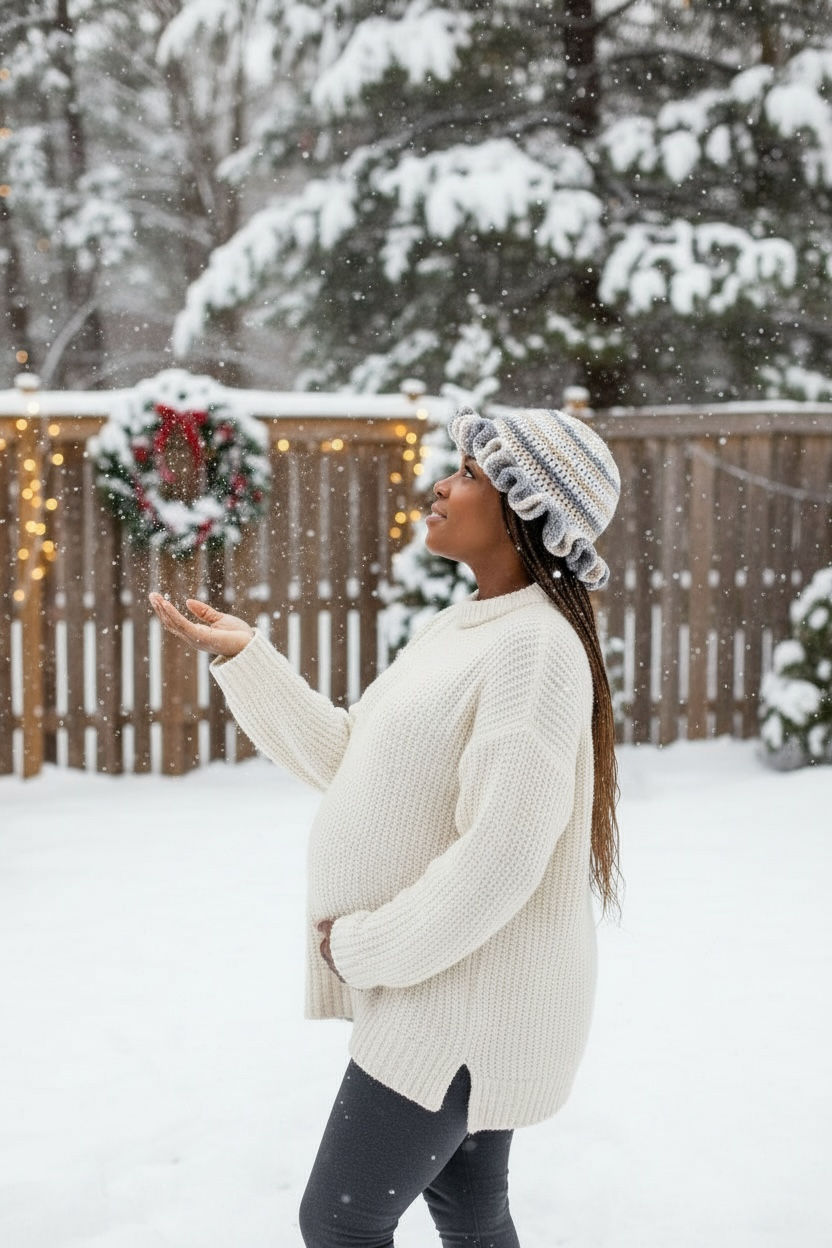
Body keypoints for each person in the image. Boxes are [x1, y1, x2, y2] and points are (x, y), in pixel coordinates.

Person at [149, 404, 622, 1248]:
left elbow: (502, 859)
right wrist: (244, 655)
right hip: (446, 986)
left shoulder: (535, 651)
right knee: (473, 1217)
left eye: (472, 474)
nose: (443, 483)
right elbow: (349, 757)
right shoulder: (465, 628)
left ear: (527, 508)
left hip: (459, 1000)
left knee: (339, 1223)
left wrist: (363, 946)